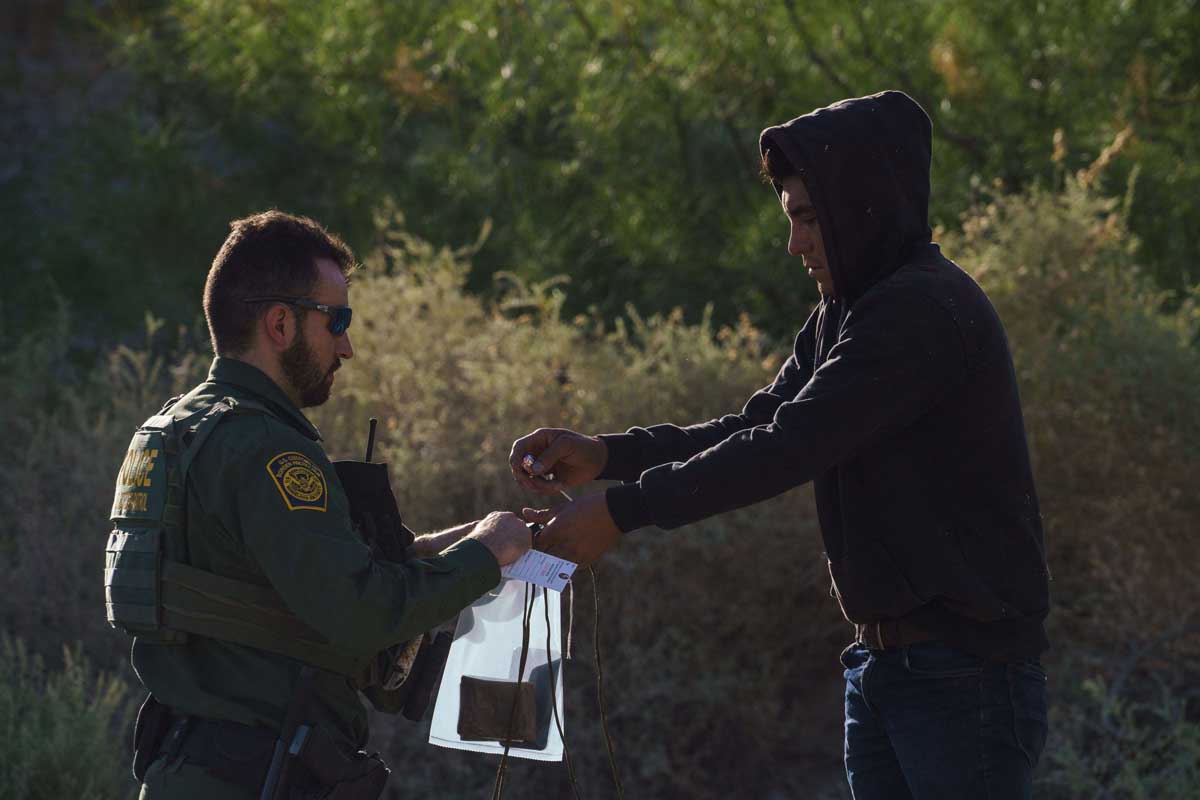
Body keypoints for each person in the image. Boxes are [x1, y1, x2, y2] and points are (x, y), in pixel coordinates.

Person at [510, 91, 1050, 798]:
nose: (795, 244)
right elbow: (755, 423)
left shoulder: (919, 312)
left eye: (808, 218)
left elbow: (789, 445)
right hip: (887, 669)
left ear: (866, 205)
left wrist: (620, 512)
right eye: (791, 217)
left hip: (963, 677)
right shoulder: (849, 311)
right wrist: (607, 455)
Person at [107, 211, 531, 799]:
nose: (347, 346)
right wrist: (485, 557)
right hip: (258, 775)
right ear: (280, 324)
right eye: (337, 320)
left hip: (189, 768)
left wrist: (447, 548)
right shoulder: (267, 448)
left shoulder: (173, 430)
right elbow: (359, 614)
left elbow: (265, 586)